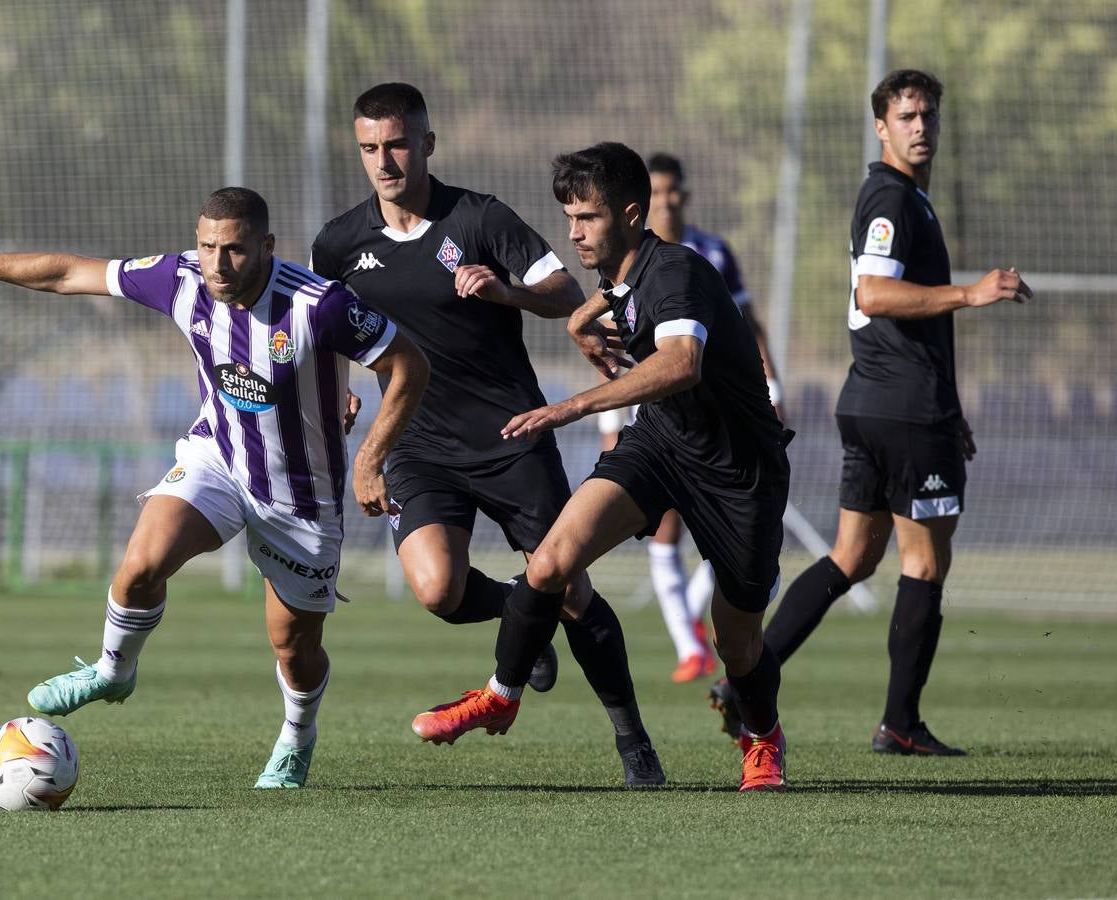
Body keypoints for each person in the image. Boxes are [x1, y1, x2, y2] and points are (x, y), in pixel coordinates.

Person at [0, 187, 429, 788]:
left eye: (236, 251)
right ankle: (113, 670)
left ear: (267, 247)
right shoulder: (180, 279)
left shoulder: (318, 305)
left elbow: (409, 363)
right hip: (216, 459)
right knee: (141, 564)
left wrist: (369, 457)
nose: (219, 264)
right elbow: (68, 273)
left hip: (300, 495)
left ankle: (297, 734)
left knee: (293, 646)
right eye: (208, 246)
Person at [311, 83, 663, 786]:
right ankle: (516, 614)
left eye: (398, 144)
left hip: (509, 434)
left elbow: (565, 291)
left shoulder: (478, 218)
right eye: (370, 148)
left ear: (427, 144)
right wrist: (341, 387)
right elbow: (320, 330)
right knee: (438, 591)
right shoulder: (339, 243)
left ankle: (633, 742)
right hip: (414, 442)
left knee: (568, 589)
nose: (385, 161)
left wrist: (506, 292)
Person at [420, 141, 794, 791]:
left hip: (739, 469)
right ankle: (500, 695)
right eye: (567, 215)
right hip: (660, 445)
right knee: (549, 563)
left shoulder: (674, 272)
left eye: (585, 217)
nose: (572, 231)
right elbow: (606, 298)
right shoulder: (622, 269)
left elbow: (680, 363)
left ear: (627, 213)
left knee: (736, 643)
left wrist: (571, 406)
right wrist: (577, 324)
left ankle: (761, 737)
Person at [710, 69, 1031, 756]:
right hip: (901, 409)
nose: (920, 127)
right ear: (880, 127)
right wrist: (969, 294)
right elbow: (876, 293)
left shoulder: (906, 197)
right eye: (906, 116)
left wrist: (948, 406)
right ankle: (899, 725)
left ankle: (743, 682)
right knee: (922, 565)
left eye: (928, 115)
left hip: (880, 403)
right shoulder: (888, 197)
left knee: (851, 557)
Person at [596, 152, 785, 684]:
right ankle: (688, 644)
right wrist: (608, 423)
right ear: (641, 204)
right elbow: (608, 339)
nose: (669, 199)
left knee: (721, 545)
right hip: (655, 412)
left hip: (721, 418)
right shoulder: (628, 258)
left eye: (675, 190)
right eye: (659, 190)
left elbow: (748, 323)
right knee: (663, 534)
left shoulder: (710, 253)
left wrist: (773, 384)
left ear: (684, 195)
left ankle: (706, 627)